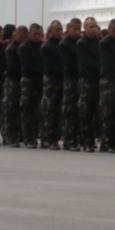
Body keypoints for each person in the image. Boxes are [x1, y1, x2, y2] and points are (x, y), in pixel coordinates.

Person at [99, 18, 115, 152]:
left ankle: (114, 142)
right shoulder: (104, 43)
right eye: (114, 31)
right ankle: (106, 142)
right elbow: (108, 63)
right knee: (107, 113)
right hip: (108, 81)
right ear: (109, 29)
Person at [76, 17, 102, 151]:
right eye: (91, 27)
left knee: (97, 112)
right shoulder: (81, 43)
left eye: (95, 26)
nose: (94, 29)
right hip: (87, 80)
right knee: (86, 112)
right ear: (85, 28)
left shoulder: (99, 43)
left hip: (98, 80)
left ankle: (95, 139)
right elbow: (87, 62)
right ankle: (86, 141)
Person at [40, 21, 64, 150]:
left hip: (61, 80)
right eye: (57, 30)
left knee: (58, 111)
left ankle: (55, 138)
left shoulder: (62, 45)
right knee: (49, 110)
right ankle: (46, 138)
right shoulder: (46, 47)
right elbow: (50, 67)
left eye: (61, 30)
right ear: (49, 32)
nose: (60, 32)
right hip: (51, 81)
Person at [19, 23, 44, 148]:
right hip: (28, 81)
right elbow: (27, 66)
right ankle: (28, 137)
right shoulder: (24, 47)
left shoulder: (41, 46)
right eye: (35, 34)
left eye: (39, 34)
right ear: (29, 33)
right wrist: (42, 70)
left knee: (38, 110)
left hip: (39, 81)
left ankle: (35, 135)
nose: (37, 36)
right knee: (27, 110)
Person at [58, 19, 81, 150]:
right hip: (70, 80)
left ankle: (75, 139)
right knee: (69, 110)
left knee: (76, 111)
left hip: (78, 79)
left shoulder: (78, 43)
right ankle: (68, 139)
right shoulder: (64, 45)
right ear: (69, 29)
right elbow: (69, 65)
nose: (77, 32)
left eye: (79, 29)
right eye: (75, 29)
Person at [2, 24, 22, 147]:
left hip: (20, 81)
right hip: (12, 81)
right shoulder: (11, 49)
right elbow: (12, 67)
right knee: (10, 109)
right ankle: (8, 135)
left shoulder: (23, 47)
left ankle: (16, 134)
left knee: (18, 110)